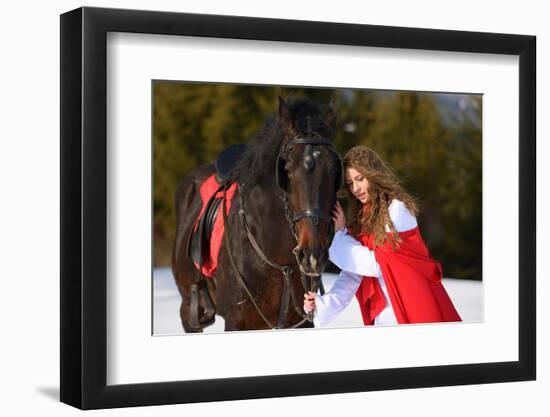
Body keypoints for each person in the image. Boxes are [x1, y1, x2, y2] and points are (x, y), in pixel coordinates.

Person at [304, 146, 461, 326]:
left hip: (413, 308)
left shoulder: (397, 210)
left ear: (373, 174)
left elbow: (377, 265)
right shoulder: (362, 218)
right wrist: (323, 305)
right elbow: (354, 273)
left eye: (360, 179)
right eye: (349, 183)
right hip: (385, 317)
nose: (355, 188)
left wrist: (341, 237)